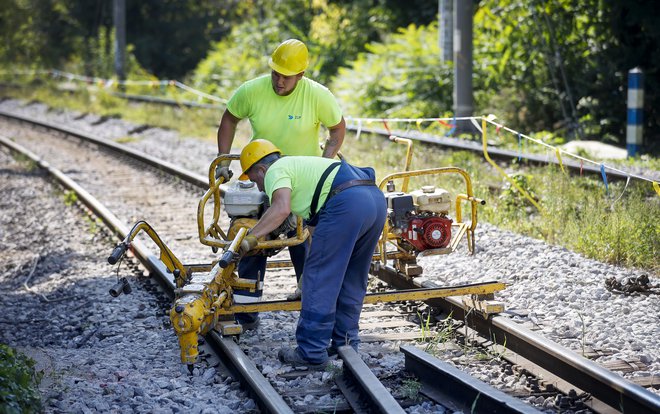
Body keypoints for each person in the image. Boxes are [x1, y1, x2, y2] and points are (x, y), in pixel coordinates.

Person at [216, 39, 346, 330]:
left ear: (301, 75)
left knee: (304, 241)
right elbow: (229, 120)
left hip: (303, 184)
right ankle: (247, 312)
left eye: (286, 76)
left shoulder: (317, 96)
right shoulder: (252, 91)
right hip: (263, 180)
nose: (279, 80)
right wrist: (223, 161)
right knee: (253, 239)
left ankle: (311, 301)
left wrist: (326, 160)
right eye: (275, 73)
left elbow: (337, 128)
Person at [238, 140, 386, 368]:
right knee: (352, 276)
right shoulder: (304, 169)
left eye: (254, 179)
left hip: (346, 203)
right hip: (373, 201)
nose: (259, 187)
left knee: (318, 278)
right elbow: (317, 230)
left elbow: (280, 209)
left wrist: (251, 237)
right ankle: (345, 344)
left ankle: (311, 351)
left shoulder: (276, 170)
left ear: (261, 169)